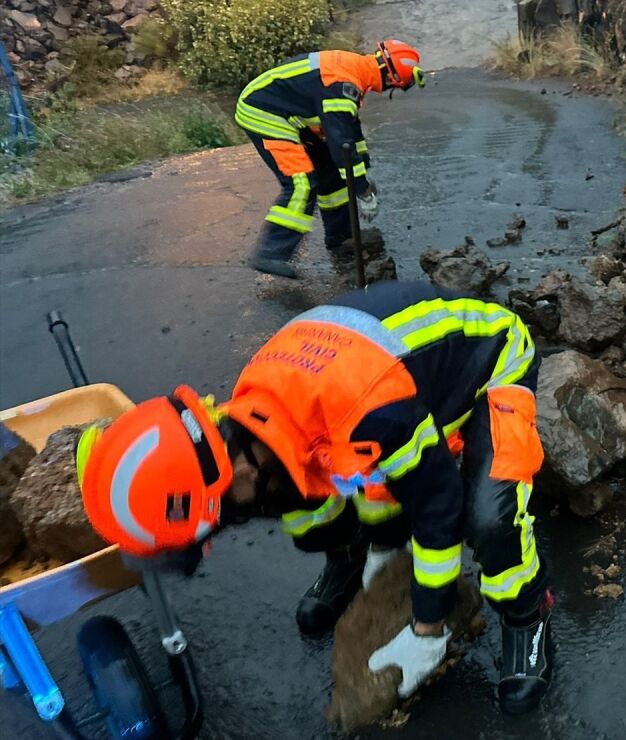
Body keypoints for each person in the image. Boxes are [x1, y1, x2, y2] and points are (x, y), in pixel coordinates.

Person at [76, 280, 554, 715]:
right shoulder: (244, 419)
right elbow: (321, 476)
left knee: (487, 517)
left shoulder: (369, 414)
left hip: (489, 363)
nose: (209, 542)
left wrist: (426, 630)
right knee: (302, 500)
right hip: (395, 389)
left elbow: (437, 506)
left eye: (211, 522)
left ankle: (527, 615)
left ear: (237, 468)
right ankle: (354, 556)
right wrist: (384, 550)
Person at [237, 40, 425, 279]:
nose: (393, 90)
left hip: (287, 112)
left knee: (333, 178)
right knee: (301, 183)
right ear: (393, 77)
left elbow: (350, 133)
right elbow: (341, 143)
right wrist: (362, 189)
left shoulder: (355, 72)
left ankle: (340, 239)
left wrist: (363, 175)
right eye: (398, 86)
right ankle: (270, 253)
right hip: (263, 112)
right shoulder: (343, 85)